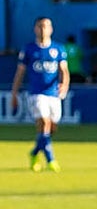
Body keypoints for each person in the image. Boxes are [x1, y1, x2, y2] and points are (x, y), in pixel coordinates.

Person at [11, 16, 70, 172]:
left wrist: (64, 85)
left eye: (45, 26)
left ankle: (34, 152)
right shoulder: (29, 49)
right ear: (35, 29)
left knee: (51, 128)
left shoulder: (58, 49)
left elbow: (64, 71)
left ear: (51, 29)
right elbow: (20, 73)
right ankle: (51, 160)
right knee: (44, 123)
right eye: (40, 26)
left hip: (54, 94)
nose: (43, 29)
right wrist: (14, 93)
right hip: (37, 94)